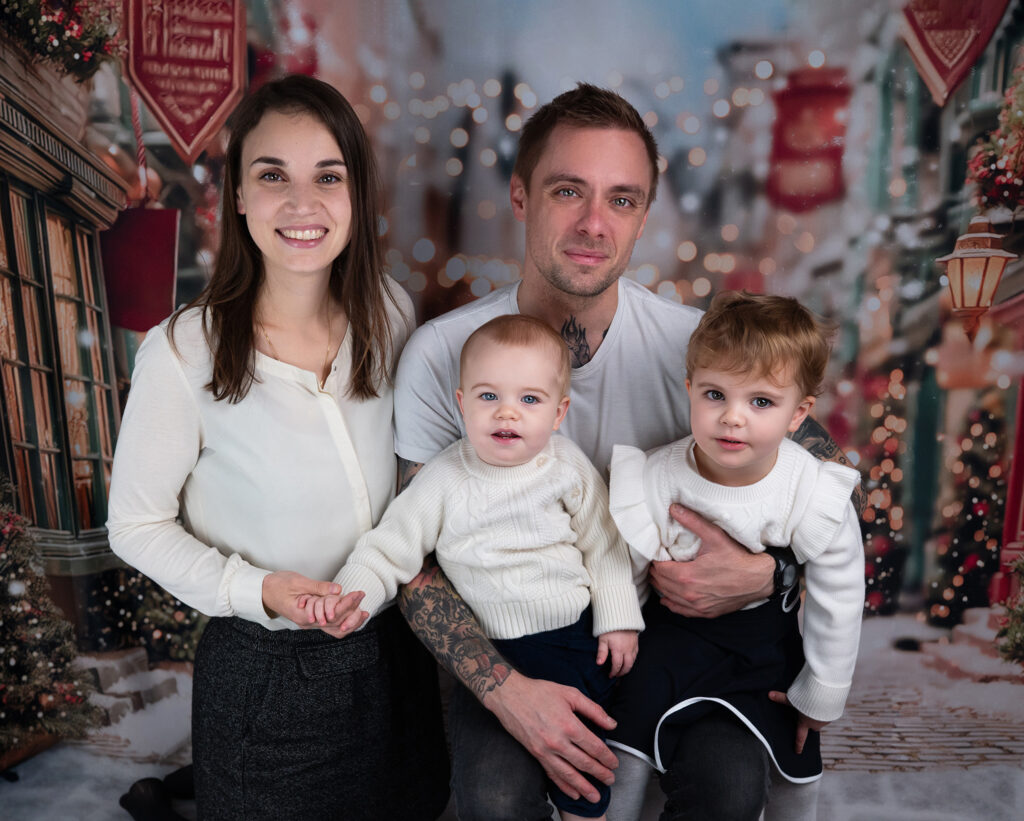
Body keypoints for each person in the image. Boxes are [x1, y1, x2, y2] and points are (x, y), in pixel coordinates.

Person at [387, 83, 862, 820]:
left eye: (621, 199)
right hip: (517, 642)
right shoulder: (443, 353)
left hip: (669, 641)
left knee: (731, 789)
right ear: (520, 196)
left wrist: (771, 574)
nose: (592, 223)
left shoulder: (698, 349)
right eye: (567, 190)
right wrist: (506, 691)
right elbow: (412, 563)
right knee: (494, 796)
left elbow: (829, 484)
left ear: (643, 217)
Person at [105, 75, 448, 820]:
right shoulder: (182, 352)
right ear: (237, 195)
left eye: (328, 176)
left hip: (395, 654)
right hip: (267, 669)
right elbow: (134, 524)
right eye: (272, 176)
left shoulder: (392, 312)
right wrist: (257, 589)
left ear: (356, 192)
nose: (302, 204)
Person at [315, 314, 643, 820]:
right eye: (489, 396)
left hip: (574, 642)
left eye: (529, 400)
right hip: (492, 654)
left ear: (559, 412)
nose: (507, 412)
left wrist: (618, 619)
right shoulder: (443, 479)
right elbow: (389, 547)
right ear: (462, 403)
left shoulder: (567, 466)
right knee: (488, 790)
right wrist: (351, 595)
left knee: (583, 777)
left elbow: (604, 545)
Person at [605, 291, 865, 818]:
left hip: (761, 651)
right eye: (715, 394)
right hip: (666, 643)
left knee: (788, 773)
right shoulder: (654, 476)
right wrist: (620, 626)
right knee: (619, 756)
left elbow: (839, 594)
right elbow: (622, 562)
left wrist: (822, 690)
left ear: (798, 414)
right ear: (690, 390)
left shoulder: (810, 489)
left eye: (761, 402)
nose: (732, 418)